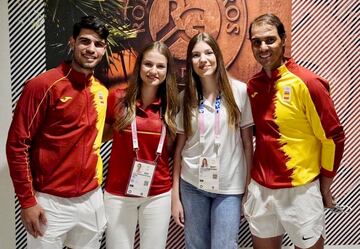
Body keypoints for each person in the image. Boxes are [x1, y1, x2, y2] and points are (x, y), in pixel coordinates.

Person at [6, 16, 109, 248]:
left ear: (104, 49)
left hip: (91, 199)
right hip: (49, 202)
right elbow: (17, 145)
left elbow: (97, 135)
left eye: (98, 44)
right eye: (85, 41)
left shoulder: (101, 92)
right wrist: (27, 201)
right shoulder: (42, 86)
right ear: (72, 42)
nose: (91, 49)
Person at [244, 13, 345, 249]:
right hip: (260, 188)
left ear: (283, 40)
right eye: (256, 42)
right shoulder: (253, 86)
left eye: (270, 40)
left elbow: (333, 137)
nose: (263, 47)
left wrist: (326, 184)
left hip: (300, 189)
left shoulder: (307, 83)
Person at [171, 32, 254, 249]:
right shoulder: (185, 98)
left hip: (229, 187)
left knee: (224, 246)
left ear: (217, 55)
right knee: (195, 246)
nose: (203, 59)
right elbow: (179, 149)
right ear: (190, 61)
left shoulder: (240, 92)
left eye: (208, 52)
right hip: (192, 184)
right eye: (196, 55)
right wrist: (175, 196)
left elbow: (247, 144)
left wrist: (248, 188)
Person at [103, 41, 178, 249]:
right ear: (139, 67)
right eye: (148, 64)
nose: (153, 71)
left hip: (157, 193)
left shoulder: (173, 106)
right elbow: (102, 137)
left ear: (167, 71)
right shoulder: (117, 98)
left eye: (160, 66)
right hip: (118, 193)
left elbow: (177, 150)